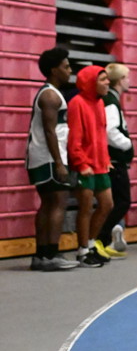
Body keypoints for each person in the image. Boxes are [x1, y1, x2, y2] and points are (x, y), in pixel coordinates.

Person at [26, 47, 78, 271]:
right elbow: (50, 131)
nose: (70, 70)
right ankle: (51, 254)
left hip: (43, 156)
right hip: (49, 158)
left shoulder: (51, 93)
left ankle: (41, 255)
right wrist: (59, 162)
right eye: (66, 67)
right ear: (54, 70)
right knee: (58, 202)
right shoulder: (50, 95)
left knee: (47, 204)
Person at [67, 65, 114, 267]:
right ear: (91, 83)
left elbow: (101, 135)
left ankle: (92, 243)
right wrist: (80, 162)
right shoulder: (77, 103)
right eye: (103, 79)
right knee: (85, 207)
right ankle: (83, 251)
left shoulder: (100, 102)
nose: (107, 82)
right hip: (85, 165)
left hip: (100, 164)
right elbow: (74, 138)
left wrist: (106, 159)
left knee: (107, 204)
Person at [95, 63, 133, 258]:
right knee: (122, 201)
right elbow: (110, 130)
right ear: (120, 80)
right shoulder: (111, 101)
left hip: (115, 160)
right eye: (127, 77)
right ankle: (99, 239)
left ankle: (104, 240)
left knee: (117, 201)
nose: (129, 81)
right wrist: (127, 144)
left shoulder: (113, 100)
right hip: (114, 160)